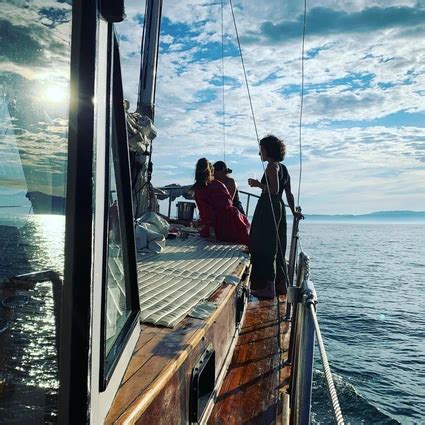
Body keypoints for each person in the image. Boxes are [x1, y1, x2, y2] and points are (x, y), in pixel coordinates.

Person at [248, 135, 304, 298]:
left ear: (267, 150)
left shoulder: (271, 167)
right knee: (278, 245)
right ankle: (281, 285)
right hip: (279, 207)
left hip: (269, 207)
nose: (260, 153)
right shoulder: (284, 168)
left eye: (261, 149)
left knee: (265, 245)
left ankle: (268, 287)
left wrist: (258, 184)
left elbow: (273, 190)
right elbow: (288, 193)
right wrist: (294, 211)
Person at [193, 158, 250, 245]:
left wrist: (210, 230)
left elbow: (206, 212)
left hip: (218, 225)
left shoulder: (198, 189)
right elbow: (227, 205)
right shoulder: (219, 185)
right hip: (230, 224)